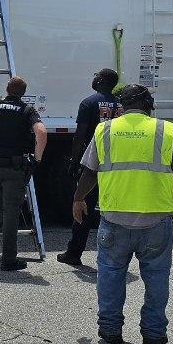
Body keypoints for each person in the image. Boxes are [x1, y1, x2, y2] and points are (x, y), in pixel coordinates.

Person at [72, 84, 173, 344]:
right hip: (155, 218)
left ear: (121, 106)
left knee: (110, 275)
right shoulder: (165, 129)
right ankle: (154, 333)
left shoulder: (105, 129)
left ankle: (110, 330)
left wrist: (78, 199)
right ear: (149, 105)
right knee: (156, 278)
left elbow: (89, 172)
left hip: (114, 218)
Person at [0, 76, 47, 272]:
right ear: (23, 93)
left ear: (7, 89)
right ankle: (9, 260)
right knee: (11, 214)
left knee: (1, 211)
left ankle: (3, 243)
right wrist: (37, 159)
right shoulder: (27, 111)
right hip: (13, 169)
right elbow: (41, 133)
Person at [58, 68, 120, 267]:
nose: (93, 79)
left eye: (96, 76)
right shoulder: (121, 104)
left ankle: (74, 252)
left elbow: (80, 135)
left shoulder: (88, 103)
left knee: (83, 205)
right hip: (117, 163)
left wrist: (75, 161)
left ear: (101, 80)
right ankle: (115, 255)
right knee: (113, 209)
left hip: (94, 162)